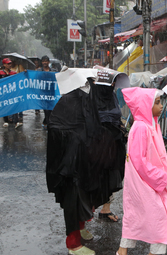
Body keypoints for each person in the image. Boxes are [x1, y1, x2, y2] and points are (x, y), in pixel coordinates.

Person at [46, 77, 125, 255]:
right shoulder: (68, 101)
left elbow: (93, 127)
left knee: (85, 198)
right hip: (70, 167)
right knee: (73, 202)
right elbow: (57, 130)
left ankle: (80, 229)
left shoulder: (85, 100)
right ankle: (73, 245)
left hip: (84, 163)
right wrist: (78, 139)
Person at [116, 87, 167, 255]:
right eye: (157, 102)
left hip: (147, 181)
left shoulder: (150, 124)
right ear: (145, 105)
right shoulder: (142, 127)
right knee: (159, 219)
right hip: (147, 182)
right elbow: (140, 162)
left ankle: (122, 251)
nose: (161, 105)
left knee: (137, 215)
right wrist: (162, 176)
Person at [95, 79, 127, 222]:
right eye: (110, 83)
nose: (113, 85)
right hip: (98, 145)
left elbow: (116, 116)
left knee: (113, 176)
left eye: (114, 83)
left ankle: (105, 209)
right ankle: (88, 210)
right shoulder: (92, 98)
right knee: (97, 176)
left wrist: (120, 126)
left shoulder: (112, 96)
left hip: (115, 144)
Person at [37, 55, 57, 129]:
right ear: (42, 62)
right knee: (46, 110)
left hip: (52, 93)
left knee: (51, 110)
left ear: (48, 62)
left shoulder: (53, 71)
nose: (44, 62)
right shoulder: (38, 71)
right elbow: (33, 78)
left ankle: (45, 121)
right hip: (43, 94)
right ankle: (49, 125)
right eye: (43, 61)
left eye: (46, 61)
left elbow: (59, 77)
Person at [0, 58, 20, 128]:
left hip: (12, 93)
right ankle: (6, 120)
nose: (10, 65)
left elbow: (18, 80)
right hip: (3, 93)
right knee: (5, 105)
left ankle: (16, 121)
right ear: (4, 64)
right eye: (8, 64)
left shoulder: (14, 73)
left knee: (14, 106)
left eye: (10, 63)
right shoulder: (0, 73)